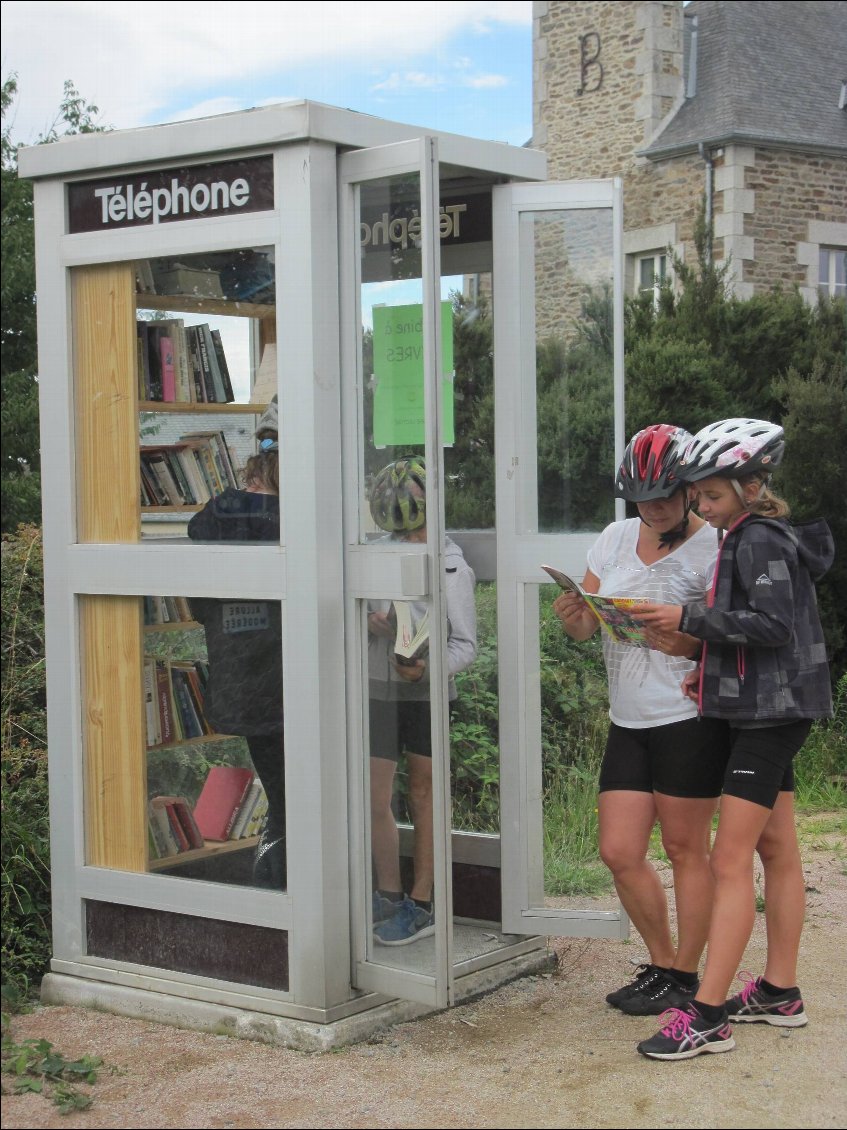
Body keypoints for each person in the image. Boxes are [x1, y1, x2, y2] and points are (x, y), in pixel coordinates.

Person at [634, 418, 833, 1060]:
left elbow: (772, 624)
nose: (701, 507)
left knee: (728, 859)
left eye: (712, 496)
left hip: (770, 716)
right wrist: (709, 671)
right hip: (761, 704)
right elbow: (762, 633)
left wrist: (687, 617)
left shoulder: (757, 539)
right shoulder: (747, 533)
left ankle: (709, 1014)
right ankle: (779, 991)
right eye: (699, 497)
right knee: (777, 845)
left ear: (751, 487)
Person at [553, 424, 729, 1014]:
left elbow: (728, 642)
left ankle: (686, 974)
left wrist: (679, 641)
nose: (651, 508)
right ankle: (662, 960)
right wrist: (574, 613)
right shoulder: (615, 536)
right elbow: (585, 629)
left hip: (686, 715)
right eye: (641, 498)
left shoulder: (717, 547)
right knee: (619, 850)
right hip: (627, 717)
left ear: (690, 489)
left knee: (686, 850)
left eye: (664, 495)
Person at [366, 455, 477, 945]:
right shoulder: (375, 555)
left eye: (414, 533)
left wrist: (427, 669)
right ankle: (387, 893)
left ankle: (425, 900)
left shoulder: (453, 566)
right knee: (373, 796)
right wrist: (368, 625)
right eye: (398, 534)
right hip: (377, 689)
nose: (406, 543)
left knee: (423, 793)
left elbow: (467, 645)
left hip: (426, 693)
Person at [187, 397, 286, 889]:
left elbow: (196, 531)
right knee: (299, 800)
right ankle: (283, 894)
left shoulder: (226, 510)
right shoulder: (294, 516)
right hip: (292, 680)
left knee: (283, 792)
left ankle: (277, 891)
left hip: (243, 684)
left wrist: (241, 494)